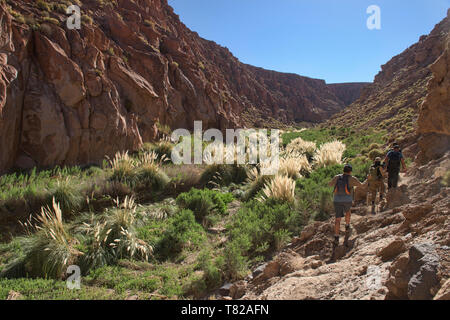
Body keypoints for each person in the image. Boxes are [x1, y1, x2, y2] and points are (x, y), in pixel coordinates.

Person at [328, 164, 362, 247]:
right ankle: (347, 225)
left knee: (338, 219)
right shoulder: (352, 178)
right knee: (348, 211)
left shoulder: (337, 177)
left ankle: (336, 237)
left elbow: (330, 184)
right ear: (350, 171)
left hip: (337, 200)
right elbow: (361, 185)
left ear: (343, 170)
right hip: (347, 199)